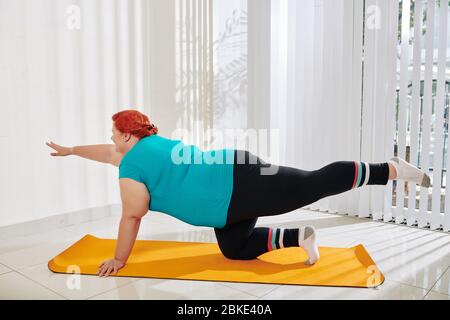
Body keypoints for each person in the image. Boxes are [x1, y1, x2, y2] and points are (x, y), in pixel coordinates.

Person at [46, 110, 431, 277]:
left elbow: (133, 213)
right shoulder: (145, 147)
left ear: (126, 136)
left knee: (313, 183)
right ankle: (301, 238)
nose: (110, 140)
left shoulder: (132, 166)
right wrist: (71, 151)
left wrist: (118, 258)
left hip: (237, 181)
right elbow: (105, 154)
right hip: (226, 201)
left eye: (113, 133)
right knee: (235, 248)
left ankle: (391, 169)